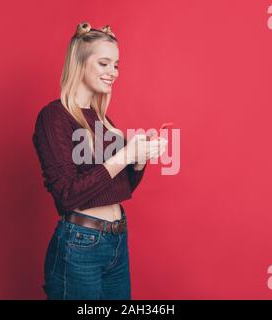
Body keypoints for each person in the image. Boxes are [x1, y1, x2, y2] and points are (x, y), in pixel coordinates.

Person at [32, 21, 168, 300]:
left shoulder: (102, 120)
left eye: (116, 65)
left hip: (117, 241)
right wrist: (125, 155)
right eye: (104, 63)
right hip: (81, 244)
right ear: (80, 64)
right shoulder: (54, 117)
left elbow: (122, 187)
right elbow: (67, 195)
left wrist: (139, 159)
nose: (113, 73)